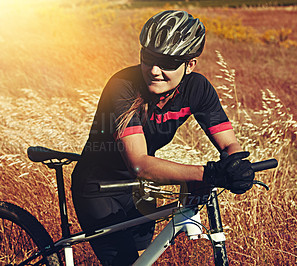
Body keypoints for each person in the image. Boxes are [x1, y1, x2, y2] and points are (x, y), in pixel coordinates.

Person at [71, 10, 254, 265]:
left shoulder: (197, 88)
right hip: (99, 188)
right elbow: (140, 164)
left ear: (190, 64)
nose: (154, 70)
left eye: (168, 62)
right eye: (148, 58)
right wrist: (209, 173)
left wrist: (237, 164)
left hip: (141, 190)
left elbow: (228, 143)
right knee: (123, 261)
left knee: (143, 258)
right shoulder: (123, 85)